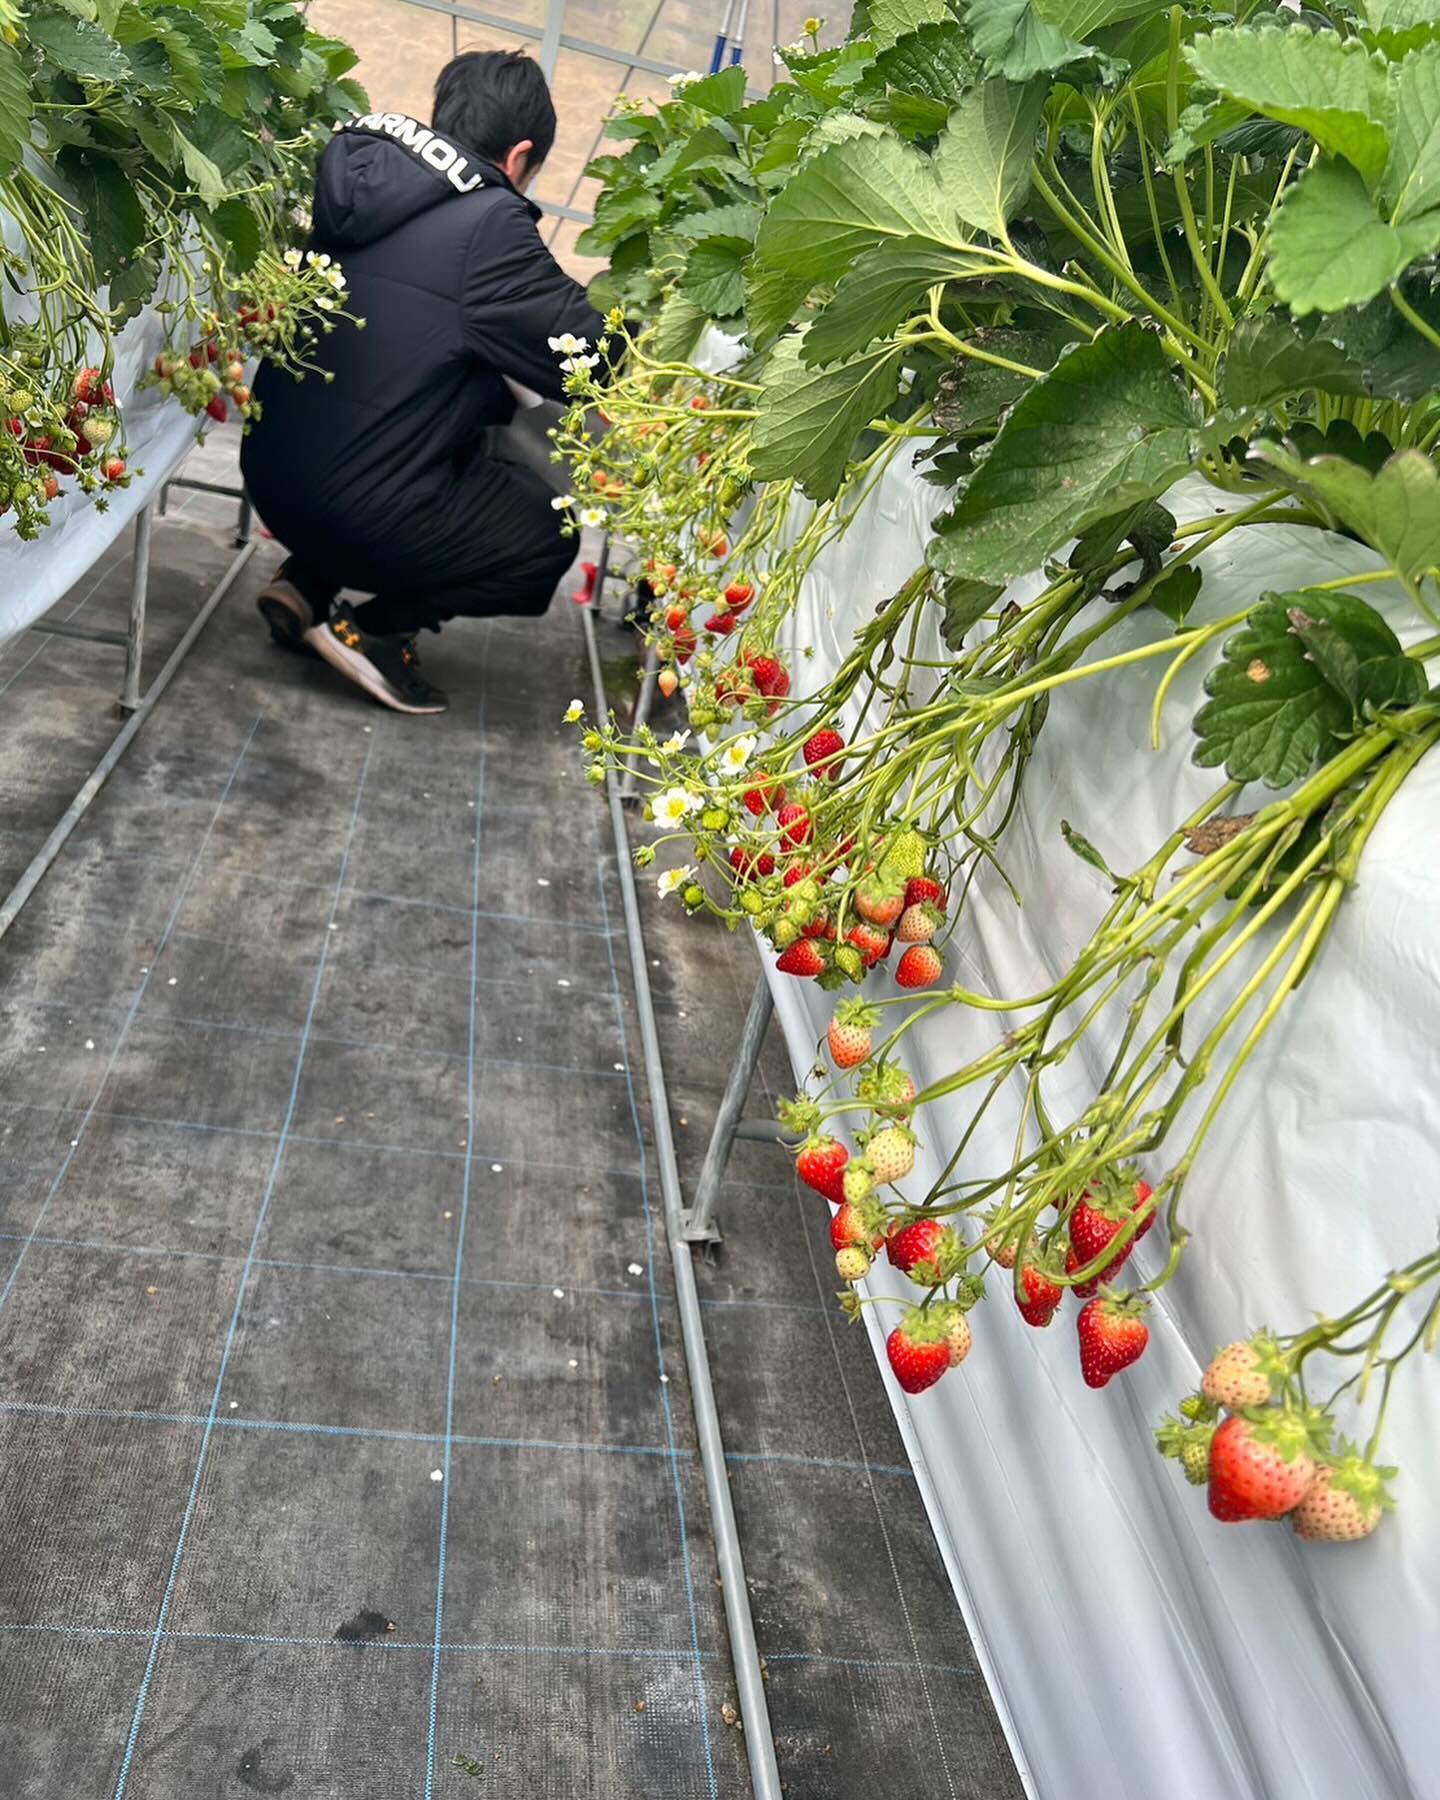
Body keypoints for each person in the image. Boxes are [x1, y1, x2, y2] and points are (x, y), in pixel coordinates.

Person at [241, 51, 607, 715]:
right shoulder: (489, 222)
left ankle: (307, 581)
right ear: (520, 155)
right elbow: (591, 355)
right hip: (356, 516)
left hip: (270, 479)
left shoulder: (357, 175)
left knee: (444, 397)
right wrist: (641, 306)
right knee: (546, 535)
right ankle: (374, 633)